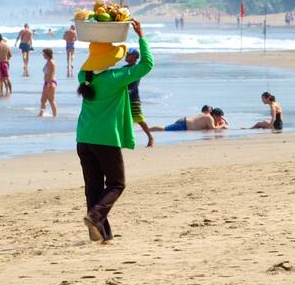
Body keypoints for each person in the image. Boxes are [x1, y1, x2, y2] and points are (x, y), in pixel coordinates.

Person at [75, 20, 152, 244]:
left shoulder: (84, 77)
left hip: (84, 138)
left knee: (93, 187)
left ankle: (101, 233)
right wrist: (141, 36)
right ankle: (95, 217)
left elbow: (88, 69)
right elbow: (147, 65)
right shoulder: (115, 78)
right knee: (117, 183)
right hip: (106, 138)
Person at [123, 48, 154, 147]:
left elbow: (134, 85)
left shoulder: (137, 69)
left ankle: (150, 137)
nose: (126, 55)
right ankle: (124, 140)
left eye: (129, 54)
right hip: (123, 98)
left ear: (135, 57)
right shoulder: (123, 68)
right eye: (127, 54)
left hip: (133, 98)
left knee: (139, 119)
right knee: (123, 119)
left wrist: (128, 92)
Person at [153, 108, 227, 131]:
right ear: (214, 115)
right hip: (184, 125)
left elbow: (209, 128)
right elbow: (212, 128)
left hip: (184, 123)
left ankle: (148, 129)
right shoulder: (209, 118)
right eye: (219, 117)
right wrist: (222, 126)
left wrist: (221, 122)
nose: (220, 119)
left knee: (165, 128)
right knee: (164, 129)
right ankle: (148, 129)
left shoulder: (208, 116)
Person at [39, 48, 58, 117]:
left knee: (51, 100)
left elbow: (51, 74)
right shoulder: (48, 61)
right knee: (43, 100)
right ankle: (41, 114)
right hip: (47, 82)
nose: (43, 55)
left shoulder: (51, 63)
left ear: (47, 54)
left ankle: (55, 116)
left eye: (44, 54)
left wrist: (48, 84)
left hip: (50, 83)